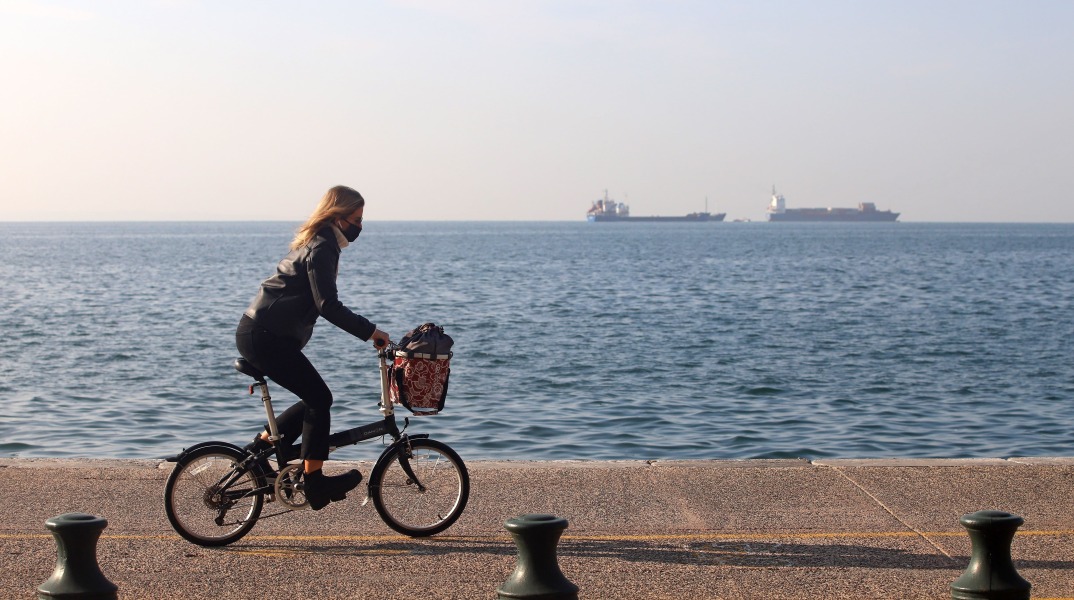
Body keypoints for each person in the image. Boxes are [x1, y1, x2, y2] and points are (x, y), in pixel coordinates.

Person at [235, 185, 391, 510]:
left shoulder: (318, 241)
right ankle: (315, 482)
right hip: (264, 336)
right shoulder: (323, 247)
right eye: (357, 219)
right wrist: (371, 331)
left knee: (313, 402)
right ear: (339, 216)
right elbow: (327, 305)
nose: (360, 226)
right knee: (320, 399)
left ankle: (258, 452)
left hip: (262, 333)